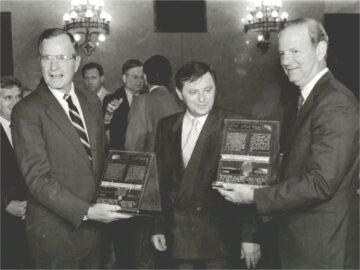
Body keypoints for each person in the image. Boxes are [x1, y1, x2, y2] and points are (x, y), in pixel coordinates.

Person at [216, 18, 359, 269]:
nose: (285, 61)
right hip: (302, 243)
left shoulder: (335, 103)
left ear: (321, 50)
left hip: (321, 249)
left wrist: (253, 195)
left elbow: (320, 182)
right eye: (282, 53)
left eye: (295, 52)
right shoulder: (308, 99)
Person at [11, 28, 132, 269]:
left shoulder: (90, 100)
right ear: (40, 61)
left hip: (96, 234)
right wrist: (88, 211)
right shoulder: (26, 110)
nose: (54, 67)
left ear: (76, 62)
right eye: (47, 58)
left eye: (62, 58)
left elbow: (100, 159)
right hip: (56, 238)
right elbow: (38, 180)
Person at [151, 61, 261, 269]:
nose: (202, 99)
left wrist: (250, 236)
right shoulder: (166, 126)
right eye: (193, 92)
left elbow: (249, 186)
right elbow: (160, 180)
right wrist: (157, 227)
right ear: (179, 94)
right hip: (177, 235)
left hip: (220, 238)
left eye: (208, 90)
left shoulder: (236, 125)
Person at [124, 54, 183, 268]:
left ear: (146, 77)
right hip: (177, 187)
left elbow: (133, 147)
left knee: (145, 252)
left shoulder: (142, 101)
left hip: (149, 186)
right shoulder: (180, 101)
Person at [1, 76, 32, 269]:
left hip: (30, 213)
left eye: (18, 97)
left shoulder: (27, 127)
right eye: (7, 98)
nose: (14, 103)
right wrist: (5, 204)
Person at [103, 59, 144, 150]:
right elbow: (104, 130)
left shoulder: (148, 98)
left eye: (142, 77)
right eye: (135, 77)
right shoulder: (111, 100)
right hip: (119, 153)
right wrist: (108, 116)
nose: (139, 81)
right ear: (124, 78)